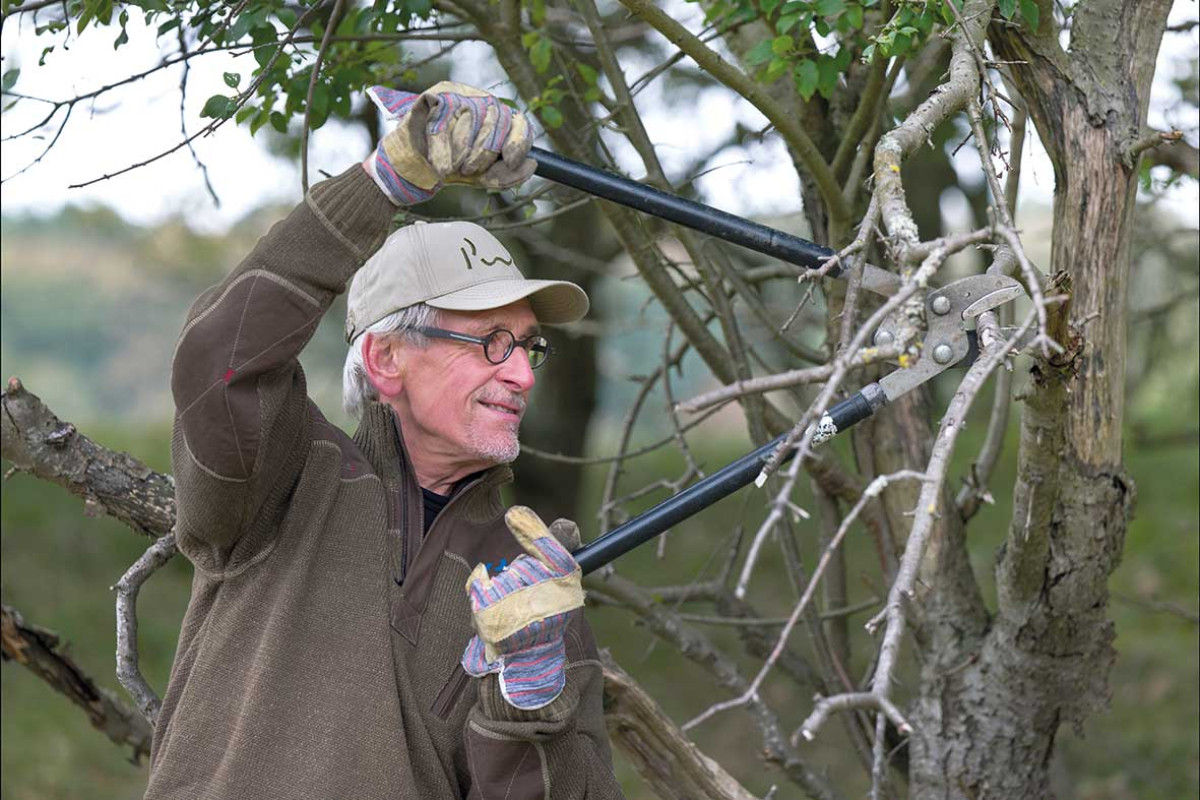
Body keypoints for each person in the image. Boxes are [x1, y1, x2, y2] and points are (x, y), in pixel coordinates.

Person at [146, 82, 624, 799]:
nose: (522, 373)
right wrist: (383, 184)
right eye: (490, 342)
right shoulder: (280, 479)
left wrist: (528, 705)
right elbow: (221, 361)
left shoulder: (533, 586)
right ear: (387, 359)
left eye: (530, 346)